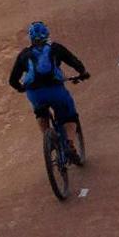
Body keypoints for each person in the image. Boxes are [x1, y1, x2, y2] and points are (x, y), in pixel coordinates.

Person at [9, 21, 90, 162]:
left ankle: (48, 139)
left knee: (40, 112)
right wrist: (82, 72)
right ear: (47, 34)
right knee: (70, 116)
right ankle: (69, 145)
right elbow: (73, 61)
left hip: (35, 94)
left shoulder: (24, 54)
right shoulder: (55, 48)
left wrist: (21, 88)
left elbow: (12, 80)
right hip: (56, 91)